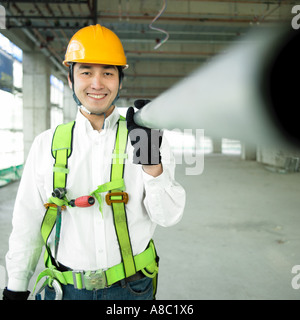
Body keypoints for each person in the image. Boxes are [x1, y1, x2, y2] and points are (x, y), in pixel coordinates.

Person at [3, 24, 186, 300]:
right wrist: (16, 284)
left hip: (131, 289)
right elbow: (28, 221)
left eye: (108, 73)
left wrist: (152, 165)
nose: (97, 84)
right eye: (86, 72)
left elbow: (168, 216)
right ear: (70, 79)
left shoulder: (148, 137)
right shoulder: (46, 145)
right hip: (65, 289)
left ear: (120, 80)